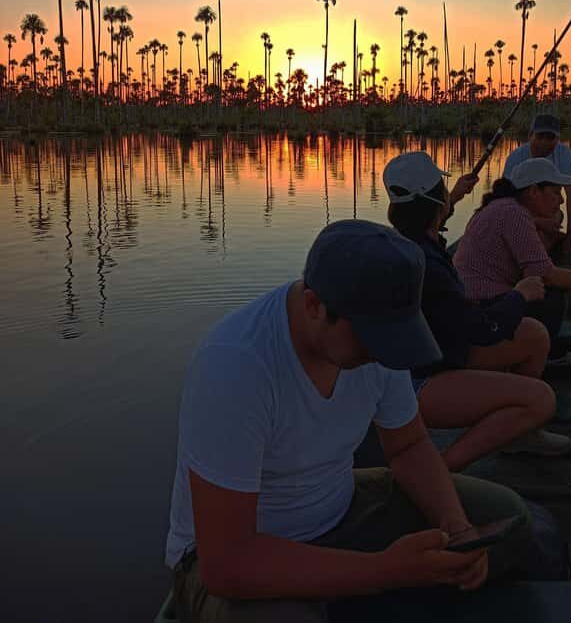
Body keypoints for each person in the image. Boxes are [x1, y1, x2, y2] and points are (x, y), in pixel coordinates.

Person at [166, 219, 533, 622]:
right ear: (314, 307)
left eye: (395, 336)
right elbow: (227, 563)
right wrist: (387, 572)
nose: (383, 353)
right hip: (246, 552)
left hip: (342, 508)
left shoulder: (380, 337)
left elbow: (409, 447)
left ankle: (365, 589)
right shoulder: (236, 367)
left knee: (503, 520)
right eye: (372, 339)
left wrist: (457, 529)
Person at [383, 151, 570, 461]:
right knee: (541, 400)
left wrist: (454, 196)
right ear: (435, 202)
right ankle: (442, 469)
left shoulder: (409, 241)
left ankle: (519, 435)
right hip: (418, 383)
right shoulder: (428, 265)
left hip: (439, 353)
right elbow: (484, 330)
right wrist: (519, 294)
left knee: (533, 335)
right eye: (442, 191)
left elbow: (467, 322)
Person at [453, 159, 571, 337]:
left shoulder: (501, 207)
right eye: (556, 193)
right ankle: (548, 356)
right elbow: (546, 275)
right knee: (551, 298)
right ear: (534, 191)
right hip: (482, 306)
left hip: (469, 302)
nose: (561, 201)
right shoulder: (513, 213)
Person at [503, 114, 571, 255]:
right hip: (518, 213)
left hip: (547, 212)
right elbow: (505, 201)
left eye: (550, 138)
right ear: (530, 135)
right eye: (540, 136)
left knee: (557, 217)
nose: (544, 142)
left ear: (557, 139)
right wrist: (534, 222)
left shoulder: (563, 153)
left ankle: (541, 250)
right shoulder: (516, 157)